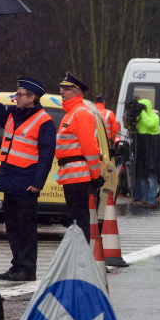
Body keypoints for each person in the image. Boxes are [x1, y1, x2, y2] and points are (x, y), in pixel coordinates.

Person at [0, 73, 56, 282]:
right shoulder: (12, 114)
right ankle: (17, 266)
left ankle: (27, 268)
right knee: (13, 228)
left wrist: (37, 183)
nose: (16, 97)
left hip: (26, 183)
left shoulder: (44, 121)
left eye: (20, 94)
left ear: (31, 98)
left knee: (26, 228)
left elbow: (46, 155)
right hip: (10, 180)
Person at [57, 72, 102, 243]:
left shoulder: (80, 112)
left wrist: (95, 176)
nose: (61, 92)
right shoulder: (72, 112)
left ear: (77, 93)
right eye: (61, 88)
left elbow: (90, 148)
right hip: (72, 175)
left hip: (78, 175)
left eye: (66, 89)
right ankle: (78, 257)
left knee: (79, 219)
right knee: (75, 219)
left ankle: (81, 259)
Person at [132, 98, 160, 208]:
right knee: (142, 176)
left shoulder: (154, 117)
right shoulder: (139, 117)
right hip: (141, 147)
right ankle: (145, 199)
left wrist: (142, 112)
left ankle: (151, 200)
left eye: (143, 107)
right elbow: (130, 127)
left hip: (152, 148)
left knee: (151, 176)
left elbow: (150, 124)